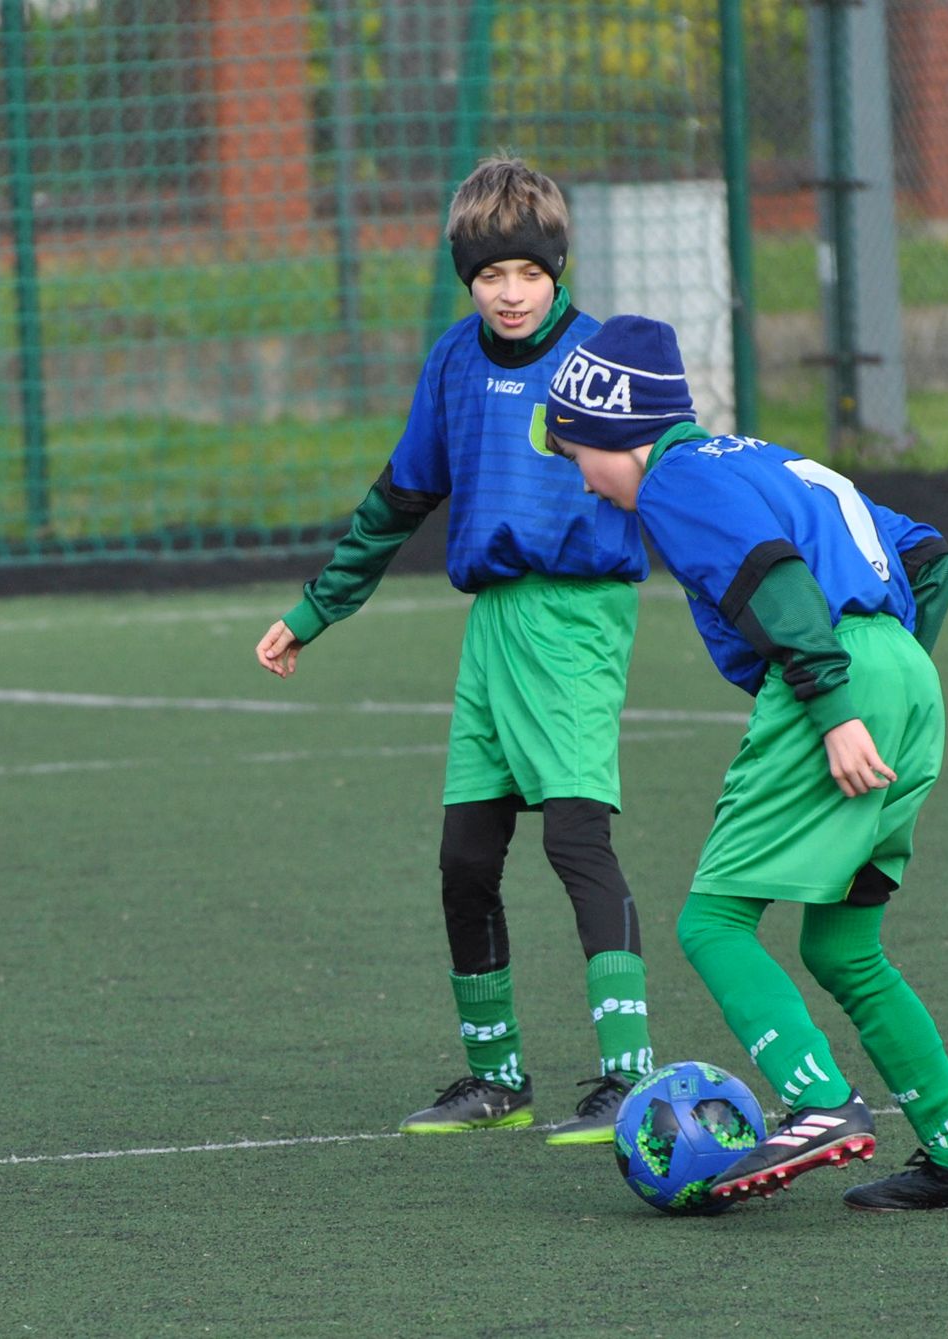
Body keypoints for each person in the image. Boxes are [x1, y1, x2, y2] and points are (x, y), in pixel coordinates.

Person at [543, 314, 948, 1211]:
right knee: (844, 945)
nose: (584, 478)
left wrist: (838, 706)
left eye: (578, 454)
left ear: (618, 432)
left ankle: (820, 1102)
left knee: (713, 923)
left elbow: (775, 581)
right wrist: (891, 677)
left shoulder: (676, 479)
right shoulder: (762, 458)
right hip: (905, 678)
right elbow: (926, 553)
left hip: (832, 678)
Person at [254, 156, 657, 1145]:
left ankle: (630, 1077)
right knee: (466, 856)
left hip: (576, 619)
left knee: (575, 840)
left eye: (527, 273)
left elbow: (677, 479)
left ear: (558, 269)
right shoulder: (452, 363)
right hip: (492, 628)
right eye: (488, 276)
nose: (509, 293)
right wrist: (314, 610)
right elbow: (398, 500)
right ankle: (497, 1079)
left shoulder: (601, 359)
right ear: (465, 279)